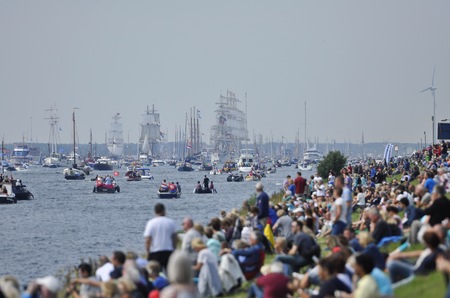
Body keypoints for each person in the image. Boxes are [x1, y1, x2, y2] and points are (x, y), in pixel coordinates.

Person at [143, 203, 178, 272]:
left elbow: (148, 239)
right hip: (168, 251)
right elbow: (175, 238)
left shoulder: (151, 223)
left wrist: (147, 251)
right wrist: (174, 249)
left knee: (154, 273)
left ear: (155, 211)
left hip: (155, 252)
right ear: (164, 211)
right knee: (170, 272)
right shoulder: (170, 222)